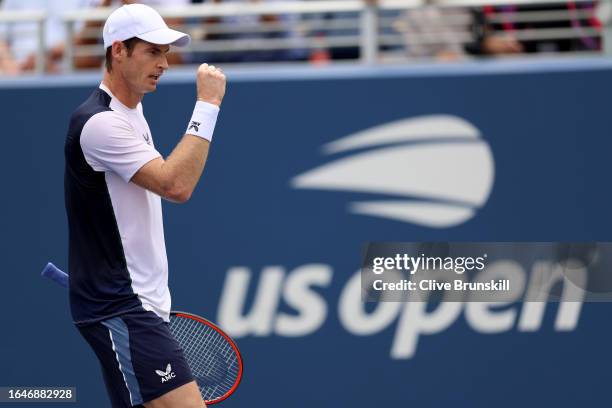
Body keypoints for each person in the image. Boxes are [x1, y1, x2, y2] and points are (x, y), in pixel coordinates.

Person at [64, 4, 225, 408]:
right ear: (118, 50)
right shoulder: (101, 124)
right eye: (153, 52)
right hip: (122, 304)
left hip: (134, 304)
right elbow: (176, 185)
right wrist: (207, 105)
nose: (165, 64)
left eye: (166, 53)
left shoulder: (131, 115)